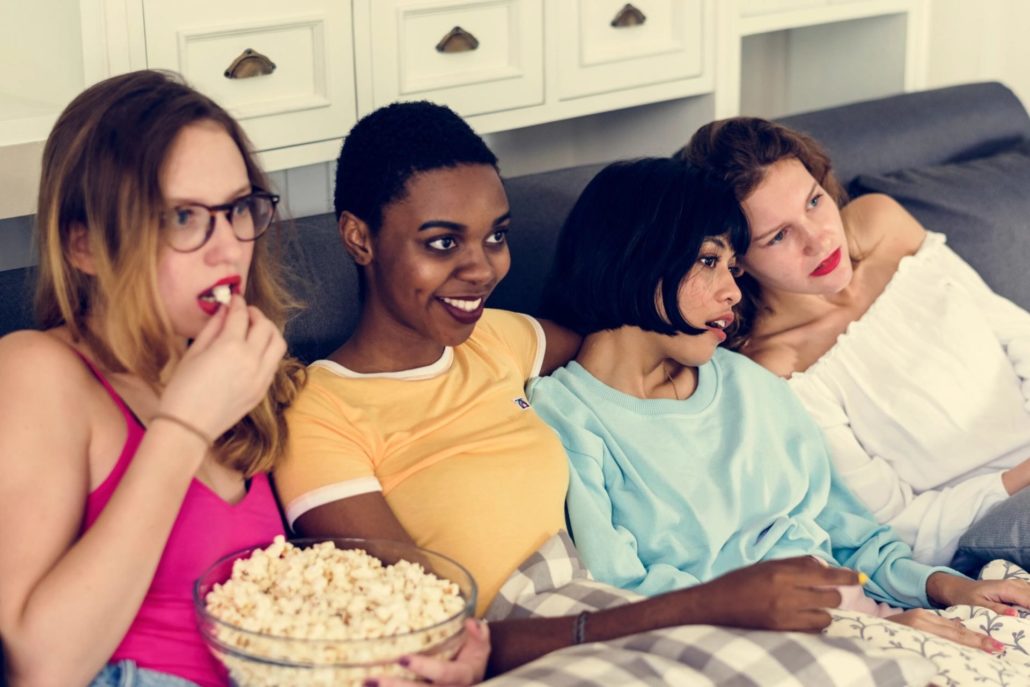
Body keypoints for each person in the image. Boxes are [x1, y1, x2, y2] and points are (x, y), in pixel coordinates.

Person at [272, 101, 885, 684]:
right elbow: (438, 633)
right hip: (531, 639)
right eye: (441, 242)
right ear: (358, 238)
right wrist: (713, 603)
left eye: (495, 236)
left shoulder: (496, 339)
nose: (482, 269)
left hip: (601, 600)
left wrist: (782, 334)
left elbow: (630, 314)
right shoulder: (319, 412)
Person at [0, 71, 445, 687]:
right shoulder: (38, 371)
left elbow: (278, 620)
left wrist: (416, 656)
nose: (229, 248)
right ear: (85, 246)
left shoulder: (234, 376)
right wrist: (183, 426)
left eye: (238, 208)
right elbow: (41, 667)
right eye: (184, 217)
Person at [528, 156, 1030, 659]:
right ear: (635, 254)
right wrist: (860, 632)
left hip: (877, 617)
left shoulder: (749, 385)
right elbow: (624, 591)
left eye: (732, 268)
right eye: (708, 261)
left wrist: (947, 589)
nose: (731, 292)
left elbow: (856, 538)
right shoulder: (568, 418)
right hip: (772, 648)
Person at [677, 118, 1030, 573]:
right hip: (992, 524)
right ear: (736, 261)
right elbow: (899, 526)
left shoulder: (883, 225)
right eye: (779, 236)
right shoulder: (779, 372)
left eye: (814, 201)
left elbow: (1016, 332)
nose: (819, 237)